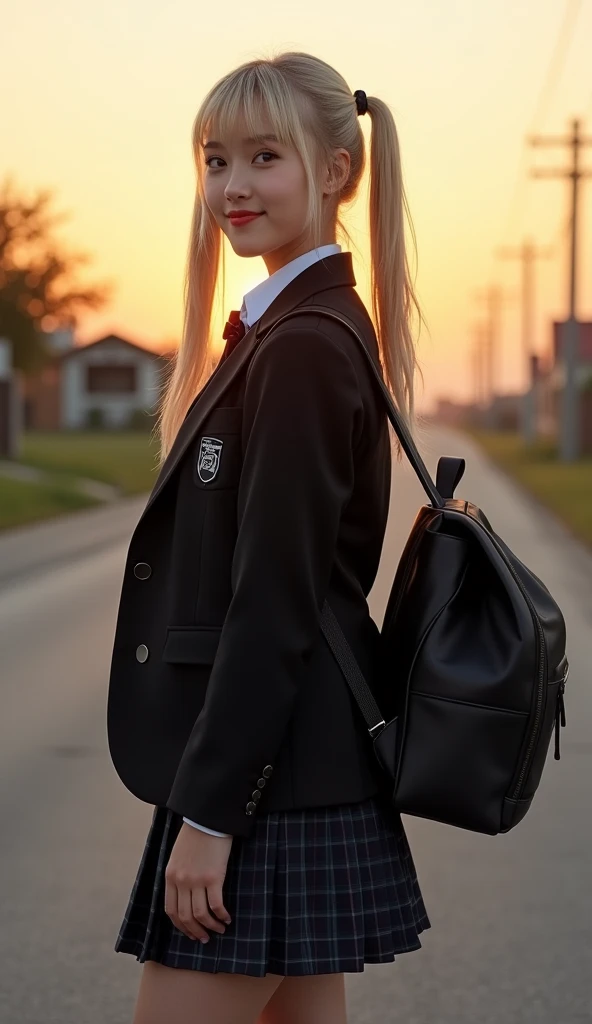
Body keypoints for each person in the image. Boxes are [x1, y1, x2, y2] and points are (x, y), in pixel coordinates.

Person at [108, 49, 430, 1024]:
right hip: (294, 764)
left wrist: (209, 815)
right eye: (215, 160)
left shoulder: (300, 345)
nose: (232, 186)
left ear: (335, 170)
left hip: (263, 777)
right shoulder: (302, 326)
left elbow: (276, 601)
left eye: (263, 157)